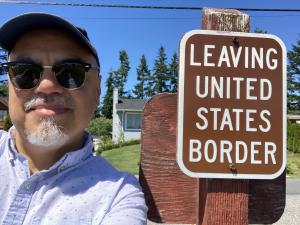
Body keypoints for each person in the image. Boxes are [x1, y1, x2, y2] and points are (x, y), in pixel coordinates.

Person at [0, 12, 147, 225]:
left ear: (97, 90)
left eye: (71, 72)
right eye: (25, 71)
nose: (47, 86)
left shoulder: (119, 198)